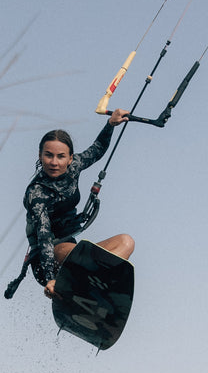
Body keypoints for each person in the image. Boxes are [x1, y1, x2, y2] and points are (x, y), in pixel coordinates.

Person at [23, 108, 135, 299]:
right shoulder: (36, 192)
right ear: (40, 155)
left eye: (61, 156)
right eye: (48, 155)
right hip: (46, 258)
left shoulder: (73, 168)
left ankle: (91, 286)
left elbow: (97, 149)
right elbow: (43, 236)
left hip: (73, 251)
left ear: (70, 158)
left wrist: (110, 125)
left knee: (126, 242)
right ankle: (77, 283)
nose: (54, 162)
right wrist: (50, 278)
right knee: (81, 256)